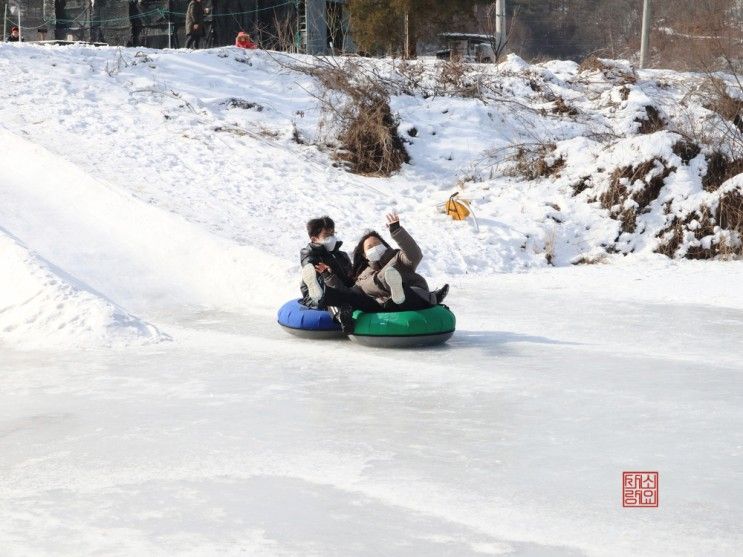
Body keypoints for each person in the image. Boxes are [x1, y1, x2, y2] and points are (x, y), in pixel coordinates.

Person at [351, 212, 449, 311]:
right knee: (384, 302)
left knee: (407, 292)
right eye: (370, 247)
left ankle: (405, 292)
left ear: (384, 246)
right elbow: (359, 292)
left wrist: (396, 230)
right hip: (387, 304)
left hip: (412, 294)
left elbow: (415, 254)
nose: (375, 248)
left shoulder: (398, 258)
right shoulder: (363, 277)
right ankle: (399, 294)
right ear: (364, 255)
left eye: (377, 244)